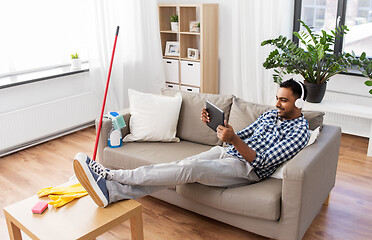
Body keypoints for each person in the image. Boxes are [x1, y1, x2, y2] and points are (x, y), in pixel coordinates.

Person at [73, 79, 310, 208]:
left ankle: (113, 177)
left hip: (247, 170)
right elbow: (243, 135)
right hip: (226, 153)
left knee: (190, 169)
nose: (277, 104)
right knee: (179, 167)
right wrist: (221, 126)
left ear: (298, 102)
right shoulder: (269, 114)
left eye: (284, 101)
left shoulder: (299, 132)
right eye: (277, 98)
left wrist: (233, 139)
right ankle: (111, 193)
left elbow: (261, 160)